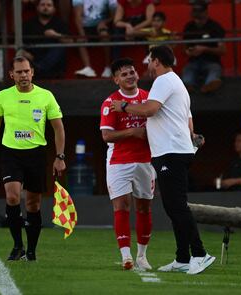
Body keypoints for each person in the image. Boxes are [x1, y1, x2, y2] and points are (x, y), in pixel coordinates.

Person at [111, 45, 215, 275]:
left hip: (171, 153)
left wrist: (125, 106)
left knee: (177, 206)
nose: (147, 66)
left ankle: (200, 253)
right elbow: (186, 116)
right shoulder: (174, 81)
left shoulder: (164, 80)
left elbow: (150, 109)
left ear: (157, 61)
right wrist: (192, 135)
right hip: (171, 151)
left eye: (149, 61)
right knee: (172, 206)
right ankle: (182, 258)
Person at [0, 56, 66, 261]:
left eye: (26, 71)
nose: (23, 75)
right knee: (12, 197)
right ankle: (17, 245)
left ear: (32, 73)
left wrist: (60, 156)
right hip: (10, 153)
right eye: (19, 72)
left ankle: (31, 250)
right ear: (12, 74)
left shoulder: (46, 96)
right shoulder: (2, 96)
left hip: (36, 154)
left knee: (33, 204)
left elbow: (58, 128)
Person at [100, 58, 155, 270]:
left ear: (138, 74)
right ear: (116, 80)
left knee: (144, 206)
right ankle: (126, 256)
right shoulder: (109, 103)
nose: (130, 76)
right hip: (118, 161)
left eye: (132, 72)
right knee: (121, 206)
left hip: (145, 160)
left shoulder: (149, 99)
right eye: (124, 74)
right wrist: (133, 131)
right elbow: (106, 136)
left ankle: (142, 256)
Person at [182, 1, 226, 94]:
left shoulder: (215, 27)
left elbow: (222, 50)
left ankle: (209, 86)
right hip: (193, 62)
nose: (196, 14)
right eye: (194, 11)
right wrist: (189, 51)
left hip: (212, 61)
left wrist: (204, 49)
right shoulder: (188, 27)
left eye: (199, 11)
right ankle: (188, 87)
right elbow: (184, 48)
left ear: (206, 12)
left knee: (214, 74)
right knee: (187, 75)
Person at [22, 0, 69, 79]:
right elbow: (17, 42)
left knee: (59, 48)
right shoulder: (28, 24)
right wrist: (23, 52)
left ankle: (40, 68)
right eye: (43, 5)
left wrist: (56, 35)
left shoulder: (60, 23)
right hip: (34, 58)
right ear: (37, 8)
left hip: (54, 64)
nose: (45, 7)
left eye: (49, 5)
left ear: (54, 9)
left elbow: (70, 42)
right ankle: (39, 68)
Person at [73, 0, 117, 78]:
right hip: (86, 26)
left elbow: (114, 15)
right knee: (80, 39)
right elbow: (77, 16)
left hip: (103, 25)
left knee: (104, 34)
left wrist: (105, 22)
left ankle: (108, 67)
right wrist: (82, 33)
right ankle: (88, 68)